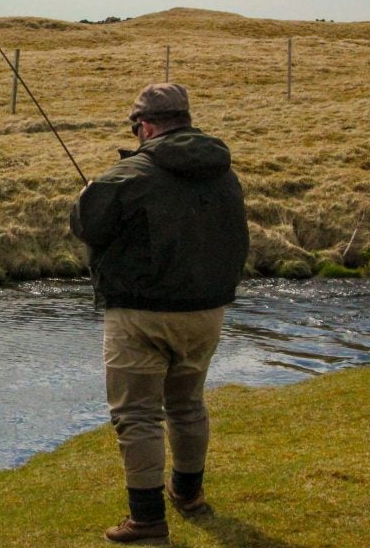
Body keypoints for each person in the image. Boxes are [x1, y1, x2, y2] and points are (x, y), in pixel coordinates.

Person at [70, 82, 248, 544]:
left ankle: (146, 520)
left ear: (145, 126)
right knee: (188, 405)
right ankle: (189, 495)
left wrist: (91, 191)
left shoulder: (127, 175)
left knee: (138, 415)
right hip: (207, 311)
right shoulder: (223, 173)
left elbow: (87, 227)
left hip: (140, 313)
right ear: (185, 120)